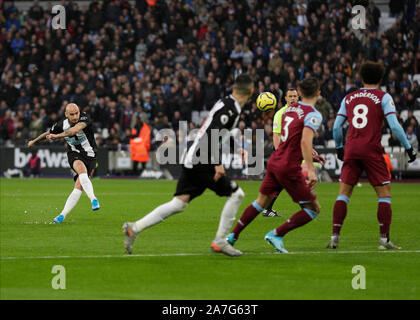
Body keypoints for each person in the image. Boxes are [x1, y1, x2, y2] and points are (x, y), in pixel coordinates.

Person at [122, 74, 255, 257]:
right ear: (251, 91)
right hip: (202, 158)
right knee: (236, 194)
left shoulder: (226, 103)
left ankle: (134, 228)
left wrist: (236, 147)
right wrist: (217, 164)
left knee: (179, 203)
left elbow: (221, 133)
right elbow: (212, 135)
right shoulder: (231, 109)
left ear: (233, 88)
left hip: (195, 156)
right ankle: (220, 241)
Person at [226, 77, 323, 253]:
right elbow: (305, 142)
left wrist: (310, 156)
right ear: (318, 93)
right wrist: (311, 170)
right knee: (313, 208)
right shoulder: (313, 114)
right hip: (288, 167)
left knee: (260, 202)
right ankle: (277, 234)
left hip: (275, 161)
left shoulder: (290, 109)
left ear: (299, 93)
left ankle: (232, 236)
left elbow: (292, 141)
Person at [327, 61, 417, 250]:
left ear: (361, 77)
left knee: (343, 194)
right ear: (381, 79)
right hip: (371, 150)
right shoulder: (383, 97)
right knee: (384, 195)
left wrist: (339, 148)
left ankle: (335, 236)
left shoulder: (349, 98)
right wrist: (409, 148)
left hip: (352, 148)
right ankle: (384, 240)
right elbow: (394, 126)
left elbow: (336, 127)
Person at [28, 103, 100, 223]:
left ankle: (62, 215)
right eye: (72, 114)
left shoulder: (85, 118)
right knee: (81, 169)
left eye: (76, 113)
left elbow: (74, 130)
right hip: (74, 153)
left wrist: (57, 136)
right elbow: (47, 133)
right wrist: (34, 141)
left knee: (78, 186)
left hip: (90, 154)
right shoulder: (61, 124)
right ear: (66, 114)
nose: (75, 116)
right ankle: (93, 199)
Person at [263, 88, 299, 217]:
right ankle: (308, 208)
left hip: (295, 152)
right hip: (283, 153)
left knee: (282, 183)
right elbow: (276, 136)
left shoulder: (301, 113)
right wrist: (281, 154)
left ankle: (266, 208)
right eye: (290, 96)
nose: (293, 98)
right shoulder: (280, 114)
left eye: (295, 96)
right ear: (285, 98)